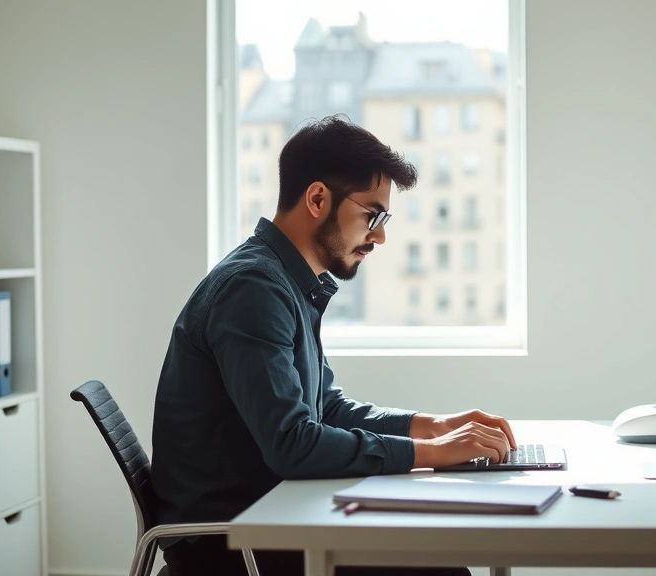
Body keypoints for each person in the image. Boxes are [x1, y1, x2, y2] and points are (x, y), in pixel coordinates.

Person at [150, 115, 517, 576]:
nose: (380, 235)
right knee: (441, 567)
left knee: (435, 548)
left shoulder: (284, 283)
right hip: (231, 544)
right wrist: (434, 453)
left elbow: (324, 407)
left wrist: (431, 427)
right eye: (373, 215)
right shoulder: (253, 289)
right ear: (318, 198)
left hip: (271, 516)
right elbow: (294, 444)